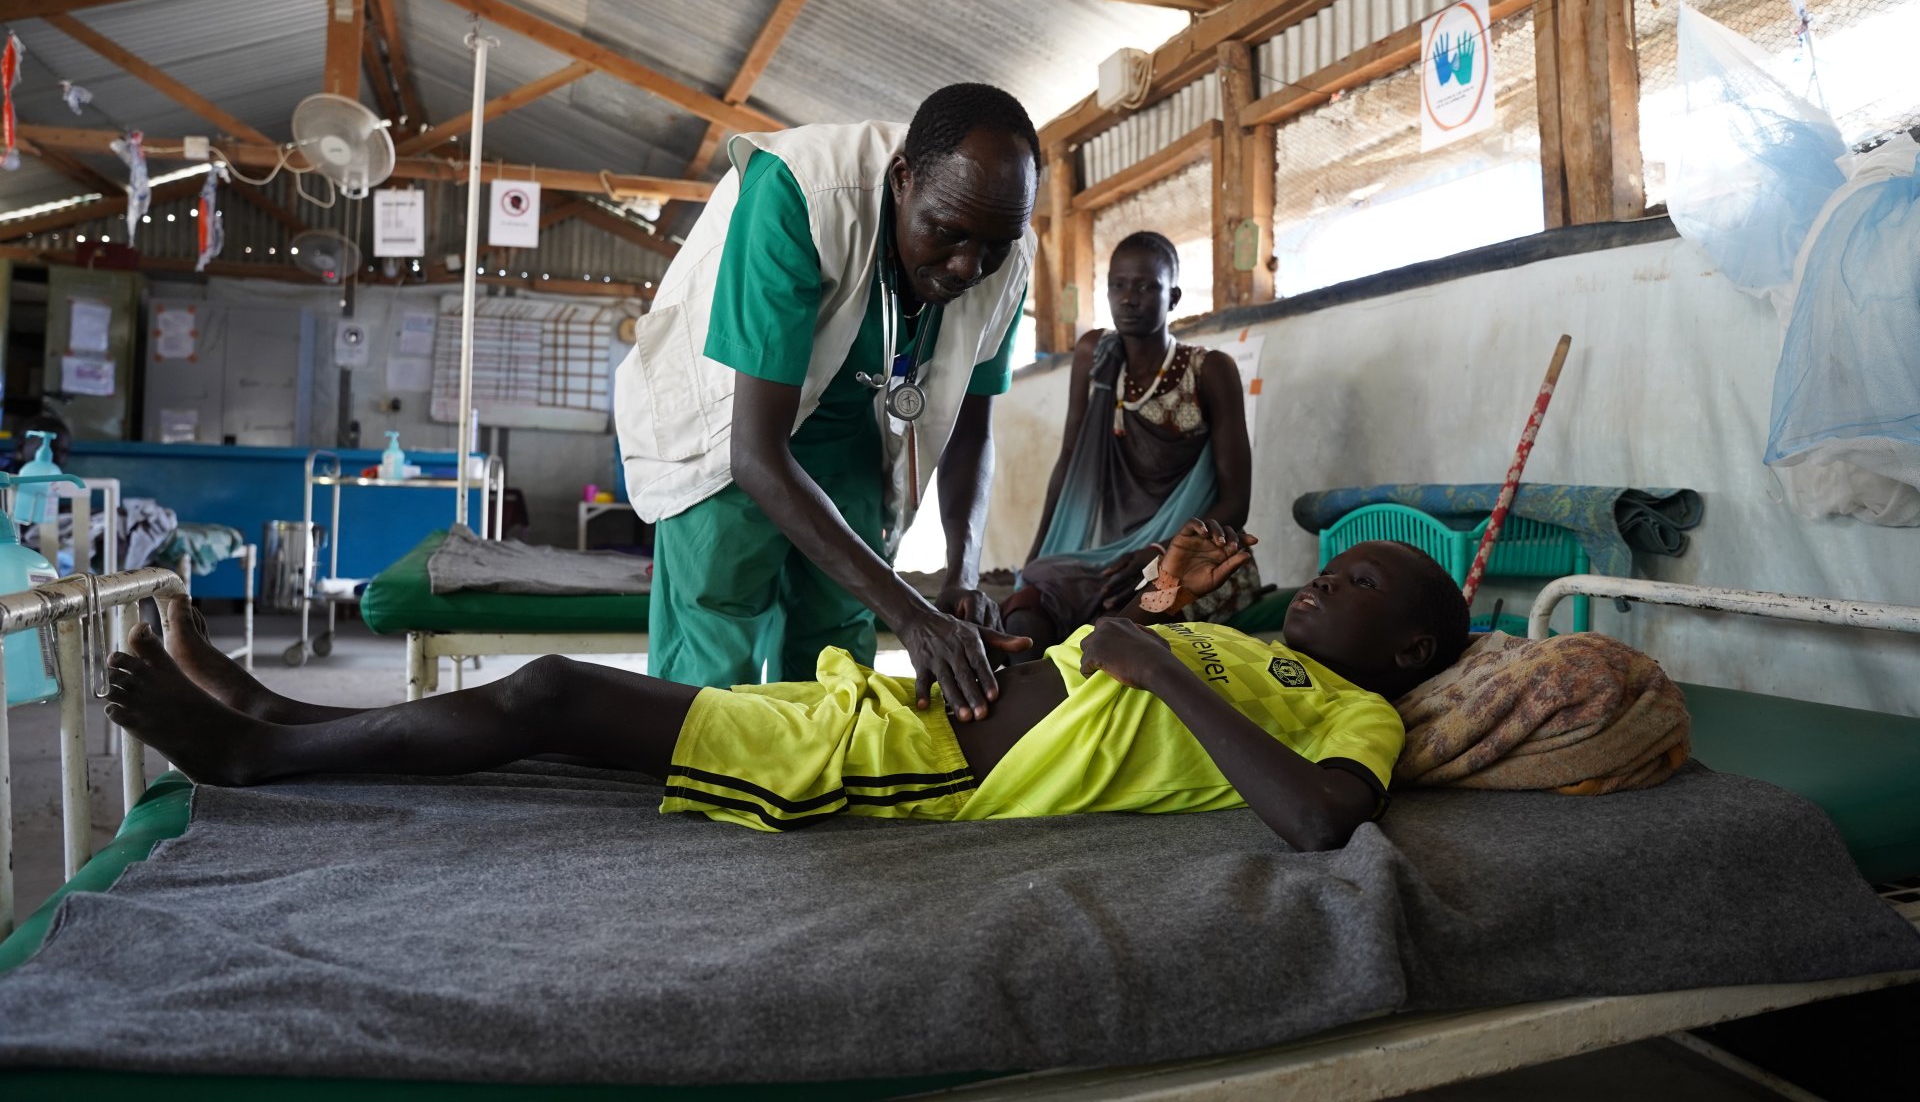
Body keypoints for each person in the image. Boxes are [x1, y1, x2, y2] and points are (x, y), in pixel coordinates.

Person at [102, 524, 1470, 852]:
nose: (1319, 586)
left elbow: (1322, 825)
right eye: (1328, 568)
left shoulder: (1353, 713)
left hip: (921, 771)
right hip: (909, 710)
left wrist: (1163, 674)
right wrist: (1111, 630)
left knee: (555, 698)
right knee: (558, 715)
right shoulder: (1252, 637)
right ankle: (286, 717)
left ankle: (259, 760)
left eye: (1358, 589)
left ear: (1409, 653)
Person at [616, 83, 1037, 723]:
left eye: (993, 246)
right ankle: (698, 807)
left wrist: (962, 578)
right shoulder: (797, 192)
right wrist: (911, 615)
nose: (965, 267)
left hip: (850, 432)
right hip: (735, 420)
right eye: (946, 232)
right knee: (714, 640)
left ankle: (822, 791)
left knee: (838, 650)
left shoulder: (1008, 244)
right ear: (902, 179)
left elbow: (973, 432)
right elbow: (755, 454)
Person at [1004, 232, 1256, 652]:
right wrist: (1034, 557)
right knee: (1028, 607)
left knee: (1124, 622)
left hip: (1192, 557)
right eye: (1117, 285)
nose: (1128, 298)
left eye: (1146, 286)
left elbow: (1236, 504)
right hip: (1111, 556)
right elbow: (1070, 461)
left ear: (1173, 297)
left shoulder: (1210, 371)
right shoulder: (1096, 356)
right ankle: (1037, 711)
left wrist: (1161, 552)